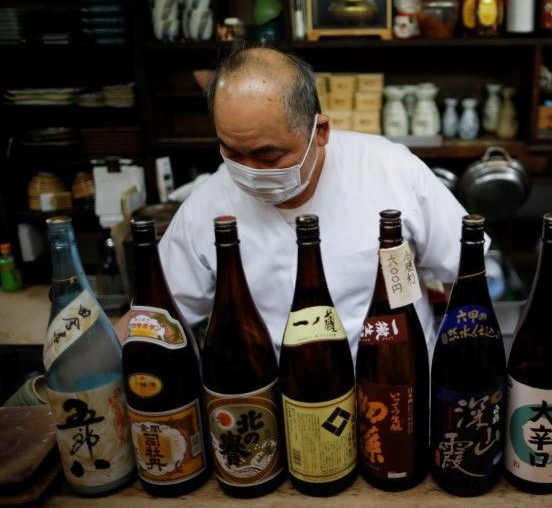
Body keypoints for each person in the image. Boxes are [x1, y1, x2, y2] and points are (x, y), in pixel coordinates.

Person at [156, 44, 470, 359]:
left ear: (319, 131)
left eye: (269, 155)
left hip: (397, 379)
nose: (250, 172)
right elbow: (159, 314)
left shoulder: (391, 170)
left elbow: (463, 273)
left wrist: (457, 366)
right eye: (233, 153)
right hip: (276, 392)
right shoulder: (207, 204)